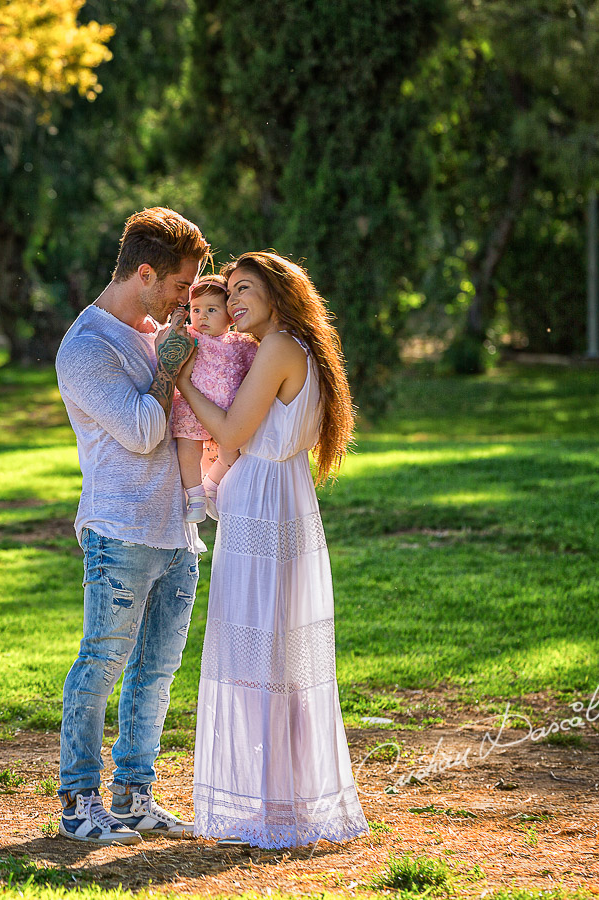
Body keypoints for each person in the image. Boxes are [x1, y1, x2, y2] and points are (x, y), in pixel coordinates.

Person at [176, 251, 369, 849]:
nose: (232, 302)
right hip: (273, 499)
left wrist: (181, 379)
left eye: (244, 290)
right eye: (227, 291)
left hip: (266, 505)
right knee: (271, 655)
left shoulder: (282, 347)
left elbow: (232, 432)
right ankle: (276, 800)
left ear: (279, 294)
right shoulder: (282, 349)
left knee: (264, 653)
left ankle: (274, 808)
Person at [52, 207, 208, 844]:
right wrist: (173, 356)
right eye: (179, 286)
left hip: (177, 532)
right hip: (120, 531)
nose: (186, 300)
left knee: (157, 671)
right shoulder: (86, 348)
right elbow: (146, 432)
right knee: (102, 664)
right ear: (145, 273)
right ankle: (78, 801)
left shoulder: (157, 329)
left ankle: (134, 794)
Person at [170, 276, 259, 523]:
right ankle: (196, 496)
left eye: (212, 310)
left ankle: (211, 484)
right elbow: (168, 341)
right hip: (191, 408)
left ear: (230, 316)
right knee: (188, 452)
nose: (202, 317)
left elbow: (259, 366)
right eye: (196, 310)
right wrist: (177, 321)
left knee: (231, 455)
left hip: (226, 415)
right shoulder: (189, 336)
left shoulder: (241, 344)